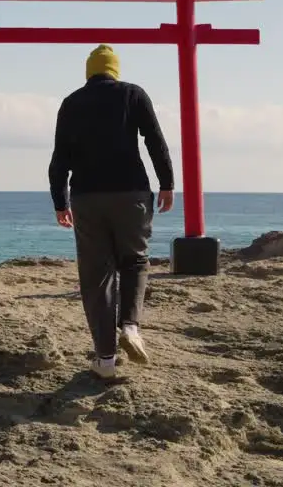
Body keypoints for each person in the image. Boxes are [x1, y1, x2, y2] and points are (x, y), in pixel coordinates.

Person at [48, 44, 175, 379]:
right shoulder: (133, 95)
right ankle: (130, 327)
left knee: (97, 275)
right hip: (131, 192)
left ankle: (105, 359)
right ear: (114, 70)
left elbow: (60, 157)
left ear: (89, 72)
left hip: (88, 197)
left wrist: (59, 202)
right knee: (134, 260)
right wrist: (167, 182)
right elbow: (155, 141)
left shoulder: (71, 103)